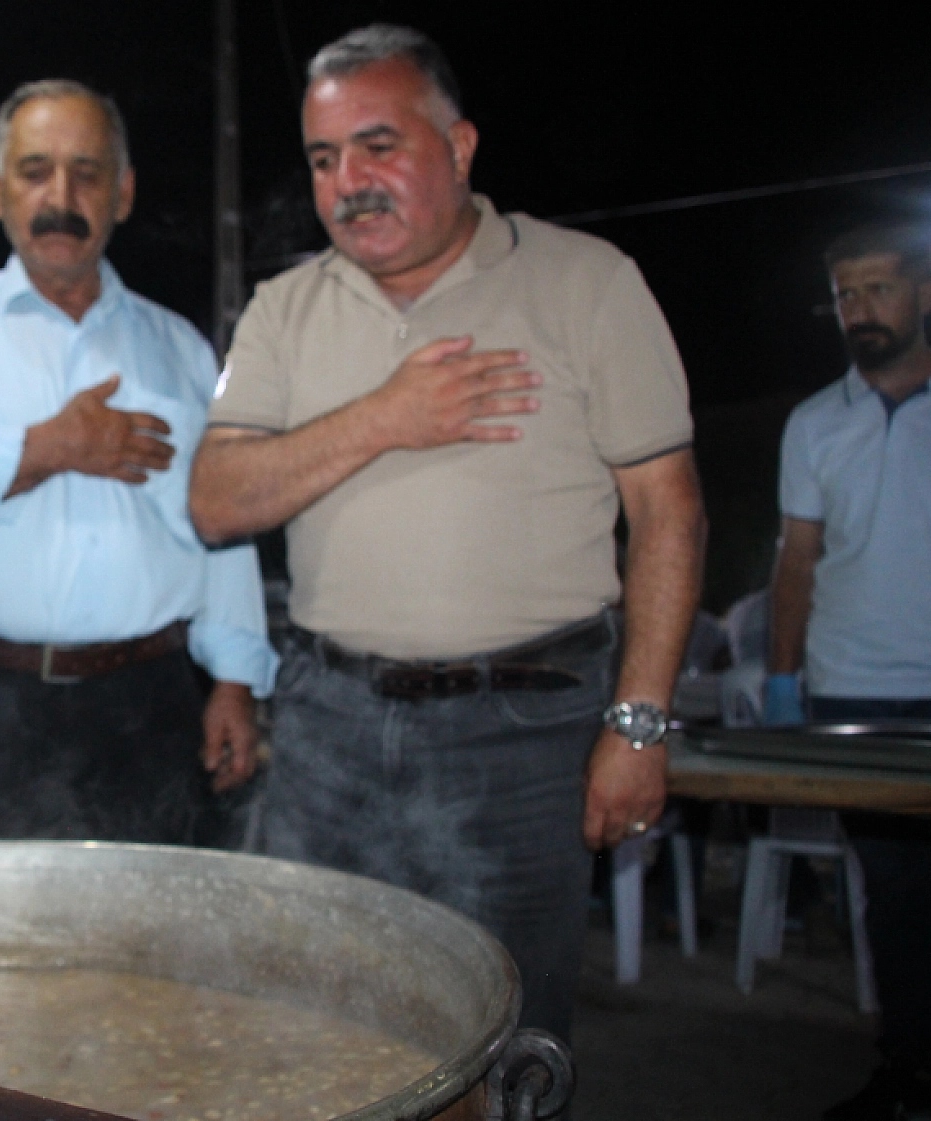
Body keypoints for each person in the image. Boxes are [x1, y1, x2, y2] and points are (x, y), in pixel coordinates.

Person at [188, 24, 706, 1041]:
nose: (347, 181)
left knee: (499, 1033)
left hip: (520, 730)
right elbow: (215, 498)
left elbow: (668, 510)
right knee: (311, 1022)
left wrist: (637, 724)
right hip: (328, 725)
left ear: (459, 147)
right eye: (323, 158)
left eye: (377, 145)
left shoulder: (586, 281)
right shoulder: (284, 309)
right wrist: (383, 417)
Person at [0, 80, 276, 843]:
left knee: (145, 943)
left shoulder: (179, 346)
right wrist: (45, 449)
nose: (61, 196)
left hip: (148, 704)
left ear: (124, 193)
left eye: (87, 172)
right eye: (35, 170)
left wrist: (236, 678)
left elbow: (222, 525)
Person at [766, 223, 931, 1121]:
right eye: (845, 294)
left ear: (926, 295)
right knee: (893, 891)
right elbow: (796, 560)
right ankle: (910, 1068)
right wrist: (785, 682)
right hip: (853, 689)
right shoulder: (814, 423)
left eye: (877, 289)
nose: (859, 310)